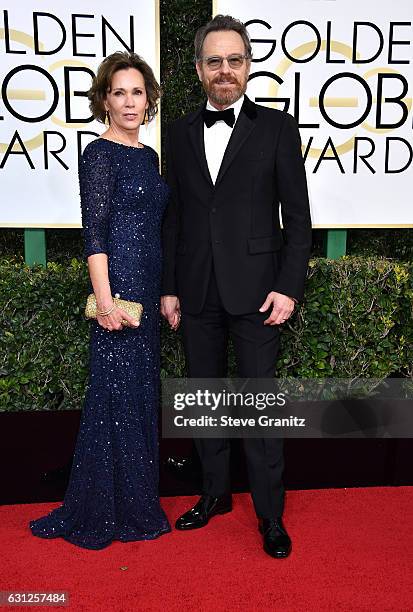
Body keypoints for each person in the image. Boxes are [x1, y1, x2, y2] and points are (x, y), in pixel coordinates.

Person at [161, 15, 312, 558]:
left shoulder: (277, 127)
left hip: (257, 292)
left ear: (247, 66)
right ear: (199, 68)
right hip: (196, 291)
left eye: (235, 60)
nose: (225, 71)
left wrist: (288, 287)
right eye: (214, 61)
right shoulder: (177, 133)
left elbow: (298, 217)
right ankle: (213, 496)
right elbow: (174, 217)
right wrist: (170, 286)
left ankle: (271, 516)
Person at [30, 52, 171, 549]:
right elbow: (95, 236)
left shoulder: (149, 156)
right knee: (113, 398)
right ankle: (104, 506)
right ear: (104, 100)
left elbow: (154, 227)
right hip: (119, 295)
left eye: (137, 92)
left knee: (136, 397)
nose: (129, 102)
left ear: (148, 98)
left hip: (148, 293)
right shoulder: (98, 155)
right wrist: (106, 302)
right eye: (119, 92)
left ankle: (135, 501)